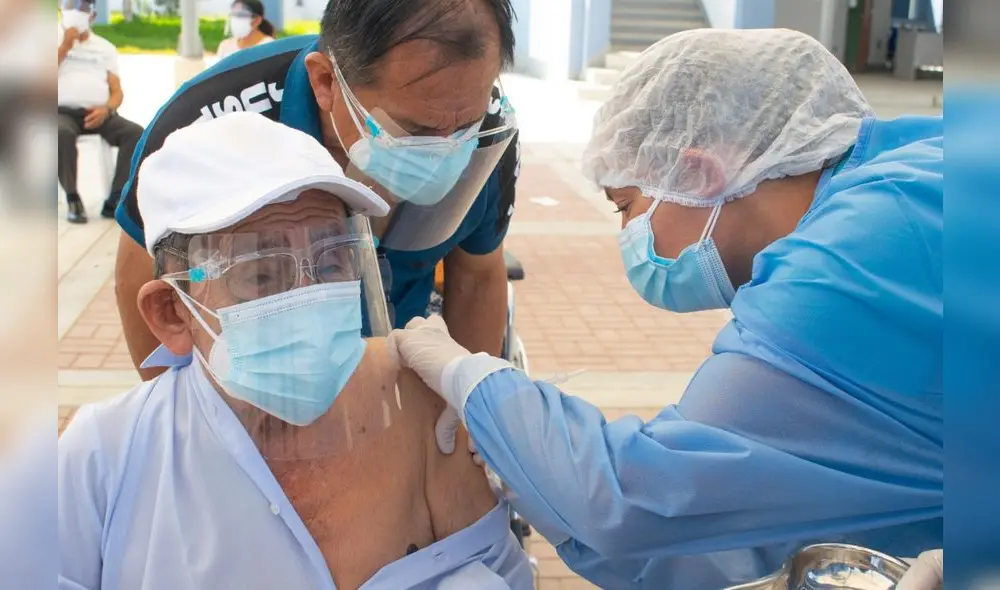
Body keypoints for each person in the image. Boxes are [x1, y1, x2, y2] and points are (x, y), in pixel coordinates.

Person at [390, 28, 943, 588]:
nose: (628, 234)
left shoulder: (844, 266)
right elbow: (753, 513)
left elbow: (632, 501)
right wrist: (533, 465)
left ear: (698, 174)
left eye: (625, 207)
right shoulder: (913, 168)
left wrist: (477, 382)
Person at [59, 112, 533, 589]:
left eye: (331, 261)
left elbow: (505, 574)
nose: (308, 295)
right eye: (262, 273)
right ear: (172, 311)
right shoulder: (105, 457)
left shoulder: (424, 408)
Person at [113, 0, 520, 386]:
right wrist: (187, 417)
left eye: (463, 124)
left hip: (404, 379)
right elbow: (138, 277)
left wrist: (469, 411)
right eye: (415, 131)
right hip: (251, 388)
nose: (445, 150)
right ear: (325, 81)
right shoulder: (207, 120)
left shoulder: (486, 136)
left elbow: (478, 278)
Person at [57, 0, 143, 223]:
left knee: (135, 134)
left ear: (92, 16)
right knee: (60, 133)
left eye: (82, 8)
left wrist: (107, 108)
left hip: (99, 112)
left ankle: (115, 199)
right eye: (69, 6)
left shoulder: (105, 48)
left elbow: (117, 91)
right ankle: (73, 198)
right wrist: (65, 46)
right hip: (61, 112)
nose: (75, 12)